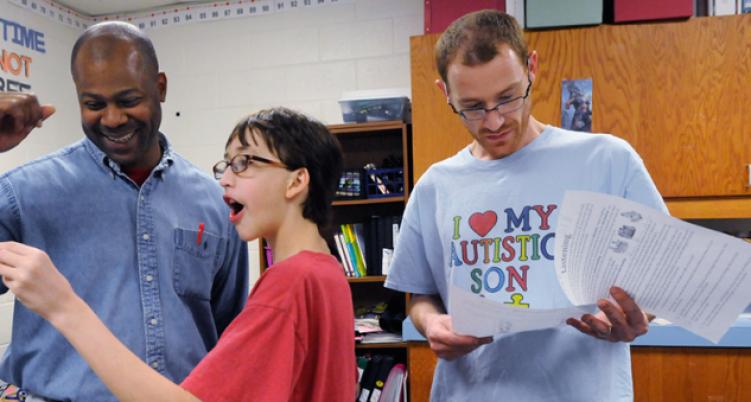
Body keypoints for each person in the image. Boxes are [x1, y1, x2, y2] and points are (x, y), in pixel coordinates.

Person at [384, 10, 666, 402]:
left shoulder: (606, 160)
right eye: (473, 106)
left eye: (508, 97)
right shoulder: (436, 186)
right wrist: (432, 324)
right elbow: (420, 295)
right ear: (445, 93)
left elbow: (662, 272)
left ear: (531, 67)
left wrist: (637, 316)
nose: (495, 121)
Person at [0, 106, 356, 402]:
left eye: (245, 163)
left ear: (297, 182)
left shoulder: (288, 284)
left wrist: (64, 307)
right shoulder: (326, 272)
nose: (226, 180)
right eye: (226, 165)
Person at [0, 22, 249, 401]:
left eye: (128, 100)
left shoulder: (216, 203)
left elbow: (230, 336)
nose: (113, 119)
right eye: (94, 104)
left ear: (160, 87)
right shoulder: (24, 193)